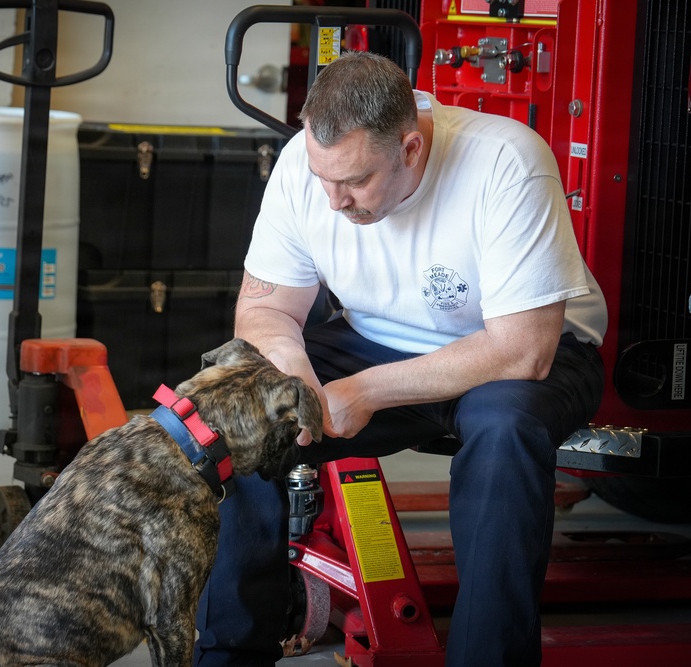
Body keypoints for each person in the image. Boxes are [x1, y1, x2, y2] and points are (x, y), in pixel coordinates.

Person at [194, 51, 607, 667]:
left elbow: (523, 348)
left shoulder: (505, 160)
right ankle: (229, 655)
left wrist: (362, 393)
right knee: (241, 412)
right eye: (322, 178)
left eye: (355, 181)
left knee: (503, 432)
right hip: (376, 339)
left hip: (521, 354)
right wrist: (293, 374)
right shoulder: (303, 169)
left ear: (411, 149)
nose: (334, 200)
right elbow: (266, 311)